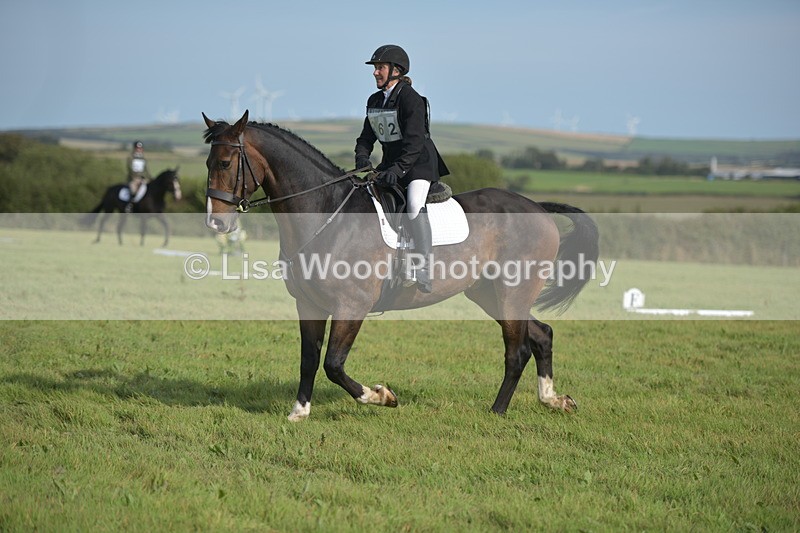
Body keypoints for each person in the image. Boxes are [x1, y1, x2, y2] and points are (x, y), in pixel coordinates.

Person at [355, 44, 449, 293]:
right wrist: (362, 158)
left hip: (417, 166)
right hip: (391, 165)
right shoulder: (375, 100)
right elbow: (366, 137)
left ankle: (424, 268)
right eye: (375, 68)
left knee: (414, 204)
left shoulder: (411, 99)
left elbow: (415, 143)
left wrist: (397, 171)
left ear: (396, 70)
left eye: (381, 67)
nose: (376, 72)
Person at [125, 140, 150, 212]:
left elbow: (146, 169)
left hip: (143, 178)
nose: (139, 150)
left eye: (140, 148)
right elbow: (130, 169)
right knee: (133, 190)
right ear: (134, 148)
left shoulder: (143, 158)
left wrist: (149, 177)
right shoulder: (131, 158)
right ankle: (129, 205)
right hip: (134, 179)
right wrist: (135, 177)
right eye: (137, 148)